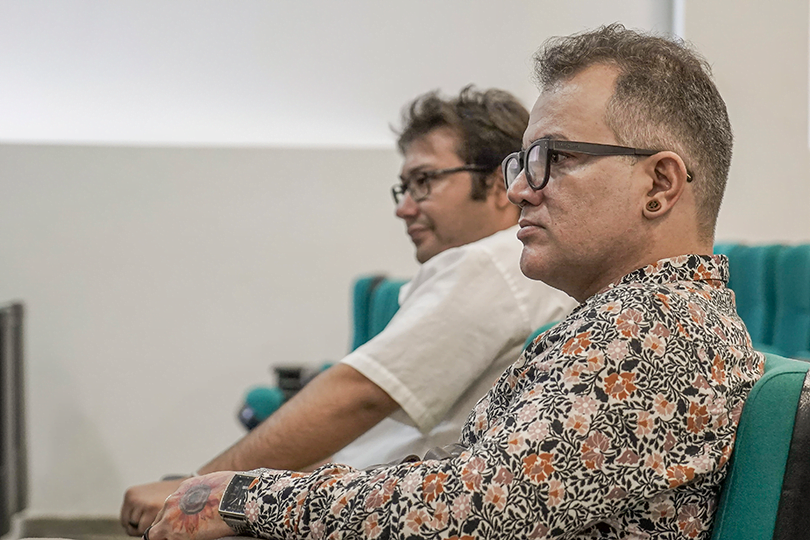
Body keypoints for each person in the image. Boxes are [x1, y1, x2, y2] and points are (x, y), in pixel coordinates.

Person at [142, 24, 765, 540]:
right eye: (523, 163)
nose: (519, 190)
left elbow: (474, 509)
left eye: (555, 159)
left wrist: (242, 499)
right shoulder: (636, 318)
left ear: (658, 184)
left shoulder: (650, 332)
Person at [120, 86, 577, 535]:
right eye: (403, 187)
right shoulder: (510, 265)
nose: (404, 208)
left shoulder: (493, 262)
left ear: (498, 183)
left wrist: (196, 489)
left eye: (424, 181)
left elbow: (361, 394)